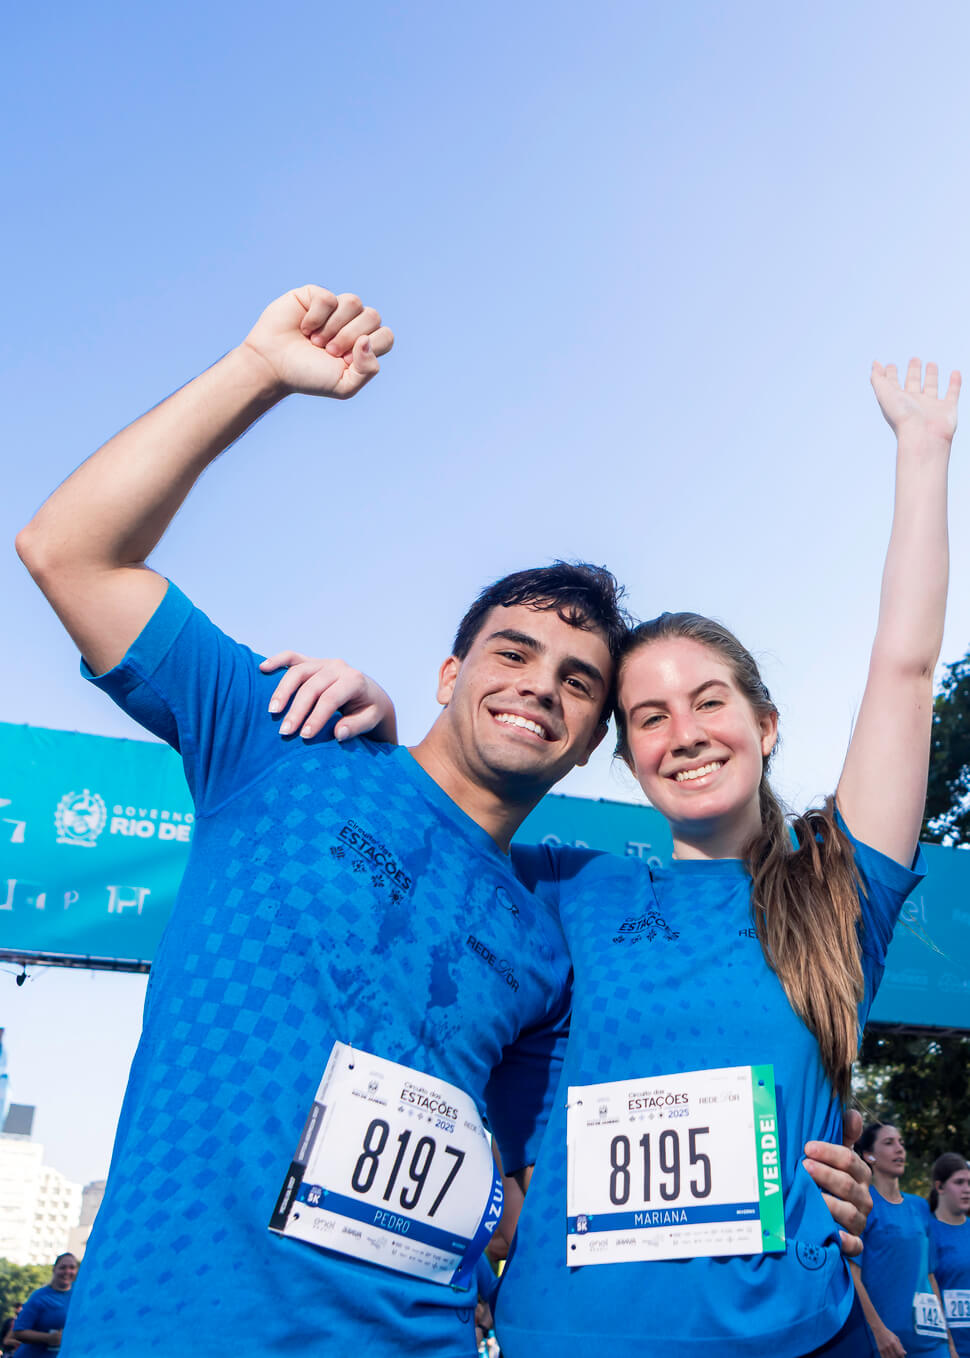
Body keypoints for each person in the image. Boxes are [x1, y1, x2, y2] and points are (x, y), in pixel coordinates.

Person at [16, 283, 872, 1357]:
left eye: (579, 681)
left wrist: (804, 1192)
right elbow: (68, 549)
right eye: (512, 652)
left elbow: (570, 1171)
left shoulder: (546, 935)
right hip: (171, 1327)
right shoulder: (284, 740)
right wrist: (259, 370)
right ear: (447, 672)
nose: (540, 685)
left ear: (589, 740)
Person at [277, 356, 959, 1356]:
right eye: (649, 716)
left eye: (709, 701)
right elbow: (433, 828)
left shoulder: (834, 890)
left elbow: (904, 671)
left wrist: (924, 453)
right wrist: (384, 736)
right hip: (566, 1334)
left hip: (796, 1339)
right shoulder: (561, 885)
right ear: (627, 754)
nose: (685, 733)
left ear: (765, 725)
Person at [852, 1124, 955, 1356]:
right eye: (889, 1143)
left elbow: (929, 1276)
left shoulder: (919, 1206)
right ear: (869, 1156)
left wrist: (949, 1342)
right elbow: (852, 1275)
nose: (899, 1149)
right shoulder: (863, 1204)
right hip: (889, 1345)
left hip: (933, 1342)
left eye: (901, 1143)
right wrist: (879, 1332)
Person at [929, 1152, 970, 1355]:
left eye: (969, 1183)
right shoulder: (924, 1232)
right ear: (940, 1187)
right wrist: (949, 1346)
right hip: (942, 1347)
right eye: (959, 1182)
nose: (967, 1189)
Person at [12, 1255, 78, 1356]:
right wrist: (49, 1338)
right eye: (63, 1267)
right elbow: (18, 1332)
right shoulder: (39, 1297)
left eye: (72, 1267)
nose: (67, 1271)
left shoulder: (79, 1294)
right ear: (54, 1269)